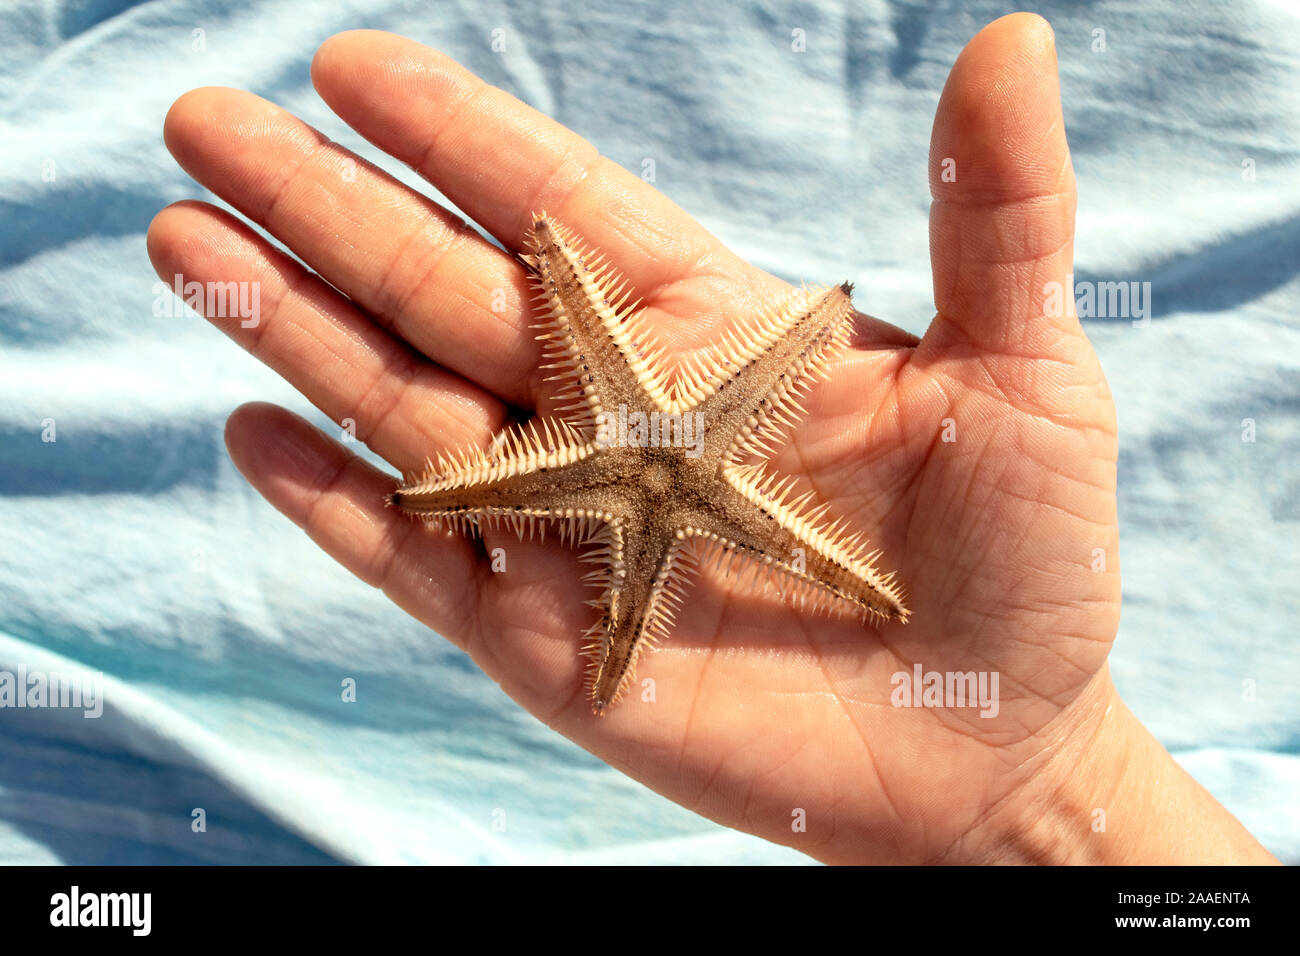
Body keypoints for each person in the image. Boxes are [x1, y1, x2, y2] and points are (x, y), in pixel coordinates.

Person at [147, 14, 1278, 864]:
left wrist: (1050, 778)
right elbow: (641, 345)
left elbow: (782, 358)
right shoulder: (640, 431)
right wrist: (1053, 791)